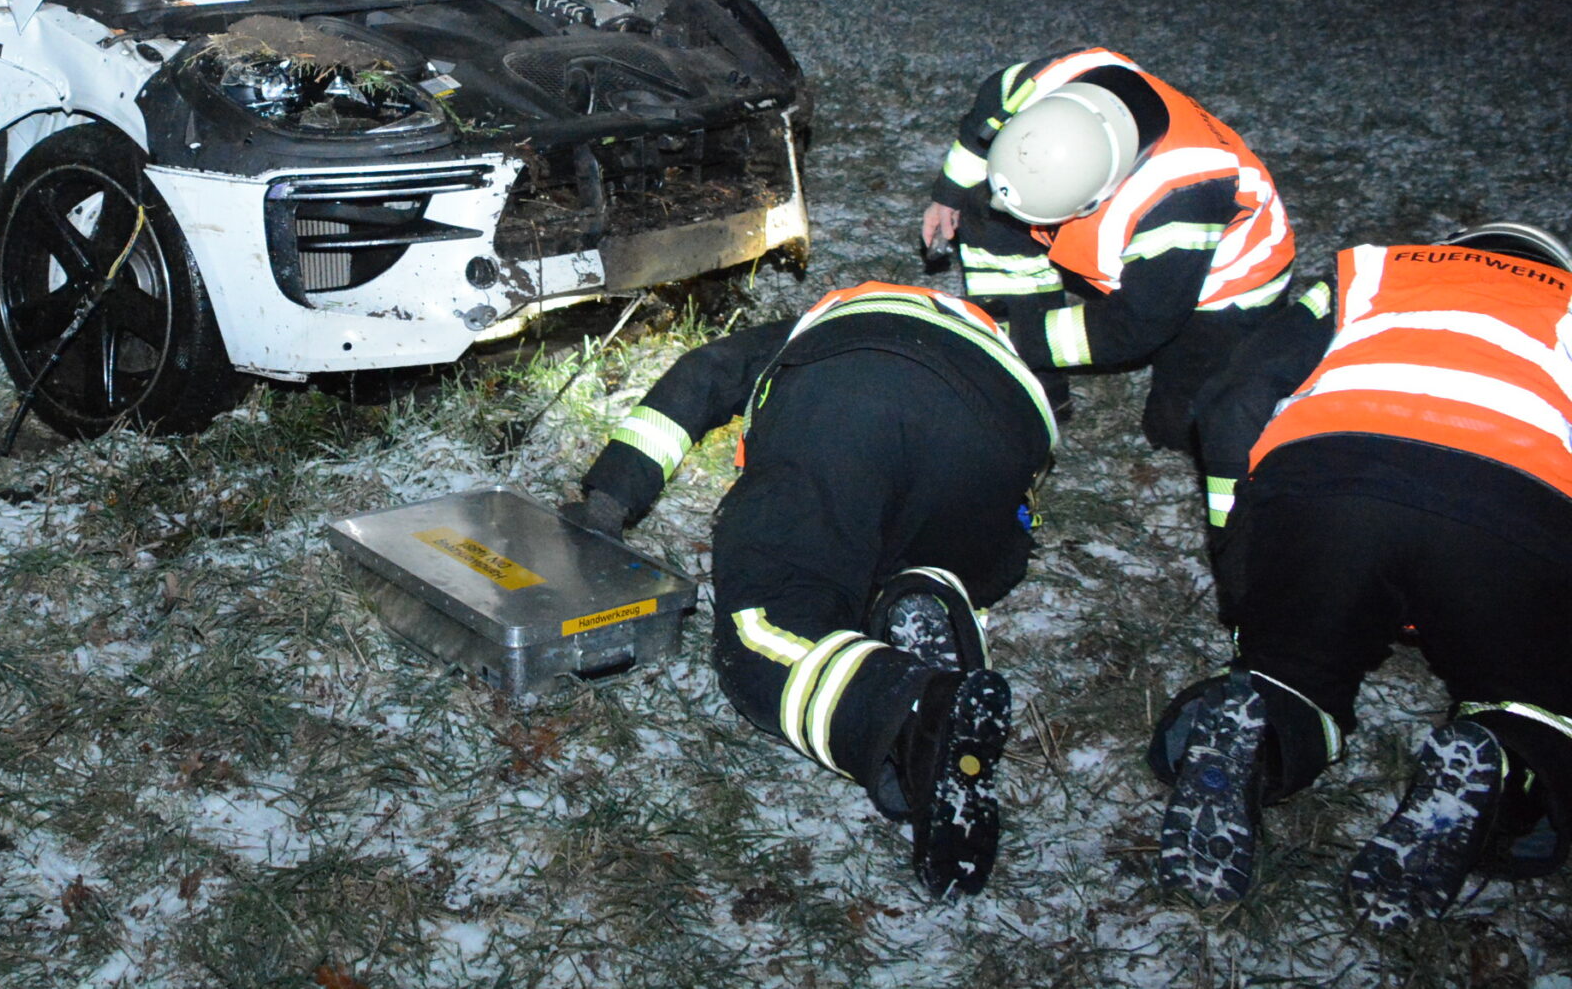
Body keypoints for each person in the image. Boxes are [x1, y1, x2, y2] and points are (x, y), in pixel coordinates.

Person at [566, 282, 1059, 897]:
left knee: (767, 627)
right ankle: (922, 588)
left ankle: (913, 717)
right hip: (999, 451)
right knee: (891, 546)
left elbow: (704, 373)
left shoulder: (827, 331)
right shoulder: (984, 337)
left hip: (848, 399)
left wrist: (608, 502)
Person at [1151, 221, 1572, 931]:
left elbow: (1234, 393)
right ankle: (1501, 762)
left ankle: (1261, 726)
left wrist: (1244, 568)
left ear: (1452, 248)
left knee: (1291, 671)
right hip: (1512, 506)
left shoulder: (1371, 271)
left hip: (1331, 479)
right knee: (1531, 706)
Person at [919, 46, 1295, 459]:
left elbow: (1134, 326)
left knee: (1180, 422)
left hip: (1225, 290)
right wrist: (950, 195)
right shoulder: (1047, 81)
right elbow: (983, 124)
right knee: (986, 212)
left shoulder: (1182, 200)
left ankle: (1178, 428)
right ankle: (1036, 384)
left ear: (1099, 198)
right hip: (1129, 245)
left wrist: (1019, 337)